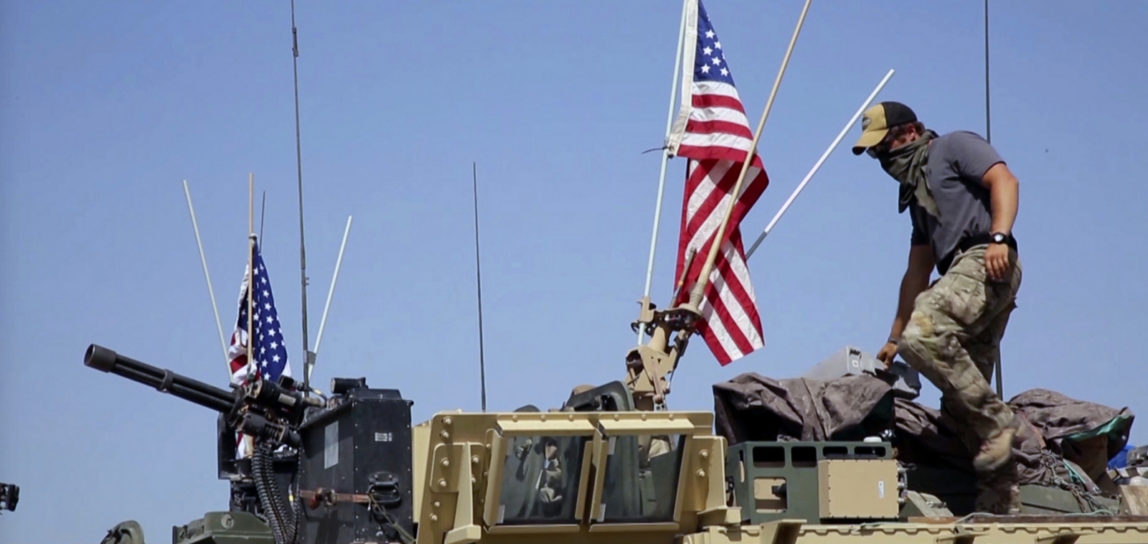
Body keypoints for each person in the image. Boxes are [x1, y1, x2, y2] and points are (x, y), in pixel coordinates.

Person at [852, 101, 1024, 514]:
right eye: (875, 153)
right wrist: (893, 339)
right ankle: (1001, 502)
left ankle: (998, 422)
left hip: (984, 259)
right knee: (957, 408)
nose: (883, 158)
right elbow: (916, 271)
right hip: (959, 276)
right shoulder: (918, 196)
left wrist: (1000, 237)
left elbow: (1005, 180)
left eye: (885, 146)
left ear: (910, 132)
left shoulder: (952, 147)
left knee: (924, 332)